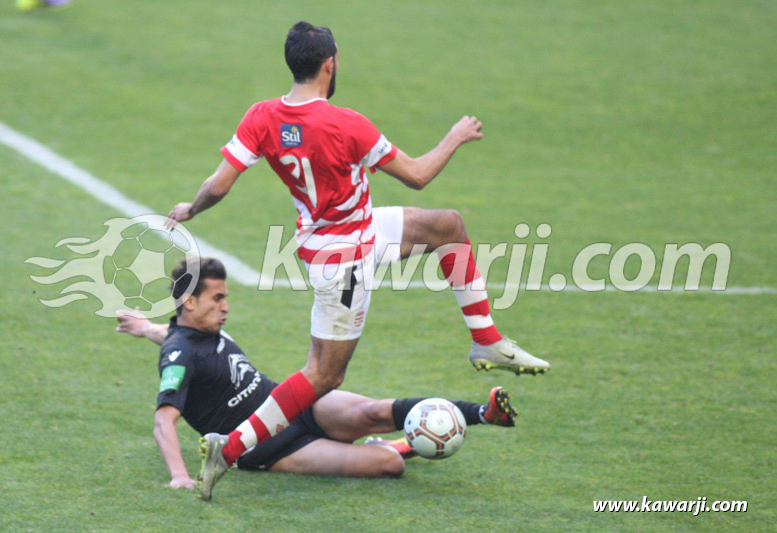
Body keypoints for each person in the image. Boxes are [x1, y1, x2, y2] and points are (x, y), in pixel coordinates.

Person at [165, 21, 549, 499]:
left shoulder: (262, 116)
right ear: (330, 64)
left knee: (446, 226)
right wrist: (454, 136)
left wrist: (190, 209)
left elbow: (219, 184)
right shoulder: (347, 123)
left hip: (353, 233)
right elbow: (417, 175)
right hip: (344, 259)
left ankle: (486, 340)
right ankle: (233, 446)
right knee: (324, 375)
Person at [115, 257, 518, 493]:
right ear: (190, 301)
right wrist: (180, 477)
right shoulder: (180, 354)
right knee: (387, 466)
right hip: (270, 448)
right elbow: (163, 419)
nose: (226, 307)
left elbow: (170, 333)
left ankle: (482, 413)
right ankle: (398, 446)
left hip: (294, 405)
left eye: (226, 297)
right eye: (217, 298)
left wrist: (142, 326)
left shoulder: (196, 331)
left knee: (373, 410)